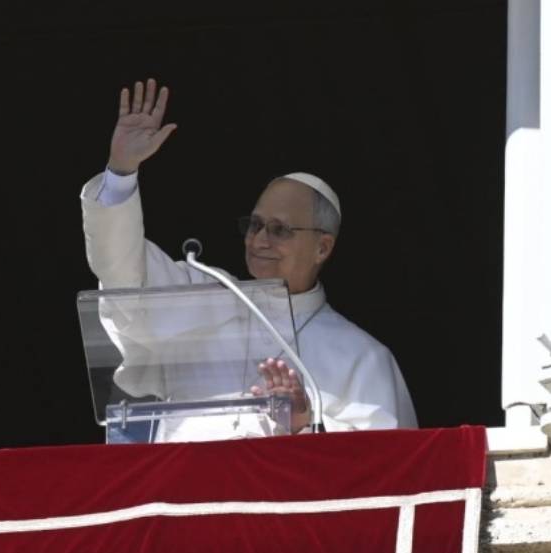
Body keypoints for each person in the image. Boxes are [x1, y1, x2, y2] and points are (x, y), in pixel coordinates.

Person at [81, 78, 417, 433]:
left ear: (323, 247)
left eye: (279, 229)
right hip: (184, 488)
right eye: (254, 225)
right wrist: (121, 172)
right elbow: (122, 271)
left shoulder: (361, 357)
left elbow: (384, 466)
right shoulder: (199, 299)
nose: (259, 240)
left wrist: (306, 423)